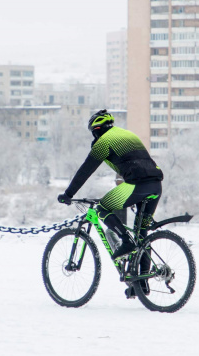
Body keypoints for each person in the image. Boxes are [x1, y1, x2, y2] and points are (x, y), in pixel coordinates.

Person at [57, 110, 163, 261]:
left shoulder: (104, 141)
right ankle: (140, 284)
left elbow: (86, 170)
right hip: (156, 186)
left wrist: (68, 194)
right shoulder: (128, 134)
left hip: (137, 186)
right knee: (141, 237)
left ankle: (126, 242)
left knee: (102, 208)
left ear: (97, 130)